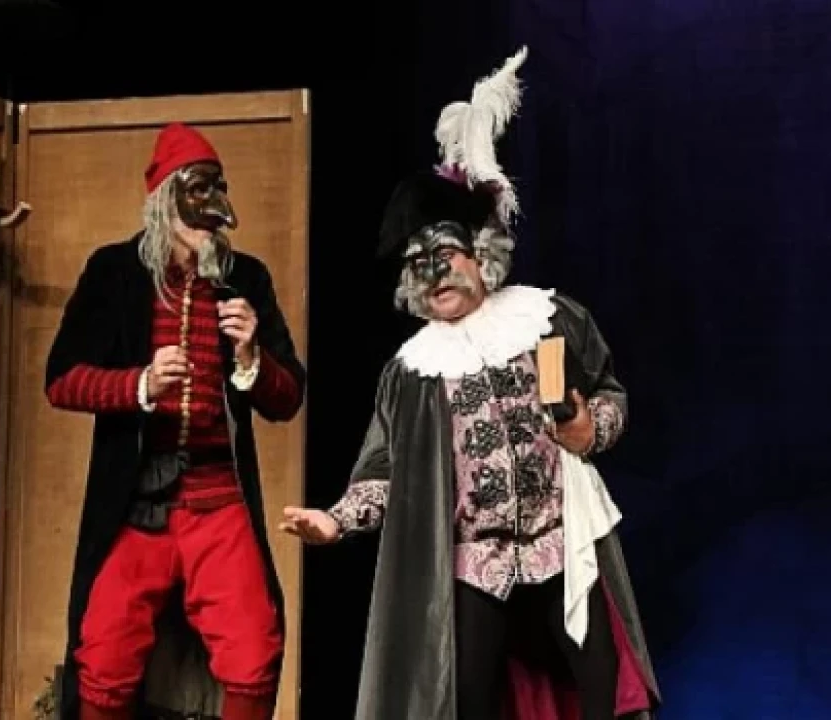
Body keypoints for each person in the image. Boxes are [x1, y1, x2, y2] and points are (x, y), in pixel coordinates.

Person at [281, 47, 661, 719]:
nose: (436, 275)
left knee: (604, 698)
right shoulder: (412, 372)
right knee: (466, 703)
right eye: (419, 266)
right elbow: (386, 473)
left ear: (480, 255)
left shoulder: (547, 318)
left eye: (446, 256)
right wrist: (337, 520)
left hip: (561, 547)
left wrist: (588, 428)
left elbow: (609, 395)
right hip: (474, 568)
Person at [45, 122, 306, 720]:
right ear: (165, 201)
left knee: (254, 652)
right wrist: (137, 383)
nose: (208, 221)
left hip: (218, 499)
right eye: (196, 197)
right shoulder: (114, 272)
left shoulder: (247, 278)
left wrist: (252, 358)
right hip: (136, 503)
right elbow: (61, 380)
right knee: (104, 659)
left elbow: (288, 397)